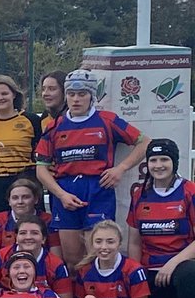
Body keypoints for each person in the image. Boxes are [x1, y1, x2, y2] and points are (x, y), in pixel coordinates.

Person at [34, 69, 149, 272]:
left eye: (82, 94)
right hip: (66, 193)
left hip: (98, 191)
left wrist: (120, 168)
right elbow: (41, 170)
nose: (76, 99)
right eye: (71, 94)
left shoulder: (107, 120)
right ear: (65, 96)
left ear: (92, 96)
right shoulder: (54, 127)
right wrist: (61, 194)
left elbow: (144, 143)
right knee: (71, 259)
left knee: (97, 254)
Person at [126, 137, 195, 298]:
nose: (158, 165)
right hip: (152, 271)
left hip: (181, 265)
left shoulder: (189, 191)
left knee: (189, 275)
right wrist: (135, 274)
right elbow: (134, 241)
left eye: (164, 159)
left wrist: (172, 263)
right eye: (153, 160)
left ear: (174, 162)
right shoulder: (139, 193)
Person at [0, 74, 41, 218]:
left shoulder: (31, 120)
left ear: (13, 94)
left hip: (26, 179)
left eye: (4, 93)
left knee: (31, 226)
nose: (0, 98)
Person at [0, 214, 73, 298]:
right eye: (23, 233)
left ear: (43, 239)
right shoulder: (1, 256)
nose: (28, 237)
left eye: (34, 233)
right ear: (16, 237)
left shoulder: (55, 264)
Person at [0, 177, 62, 261]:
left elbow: (56, 259)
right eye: (15, 198)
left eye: (25, 197)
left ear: (36, 199)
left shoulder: (48, 220)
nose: (20, 202)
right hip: (7, 270)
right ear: (9, 201)